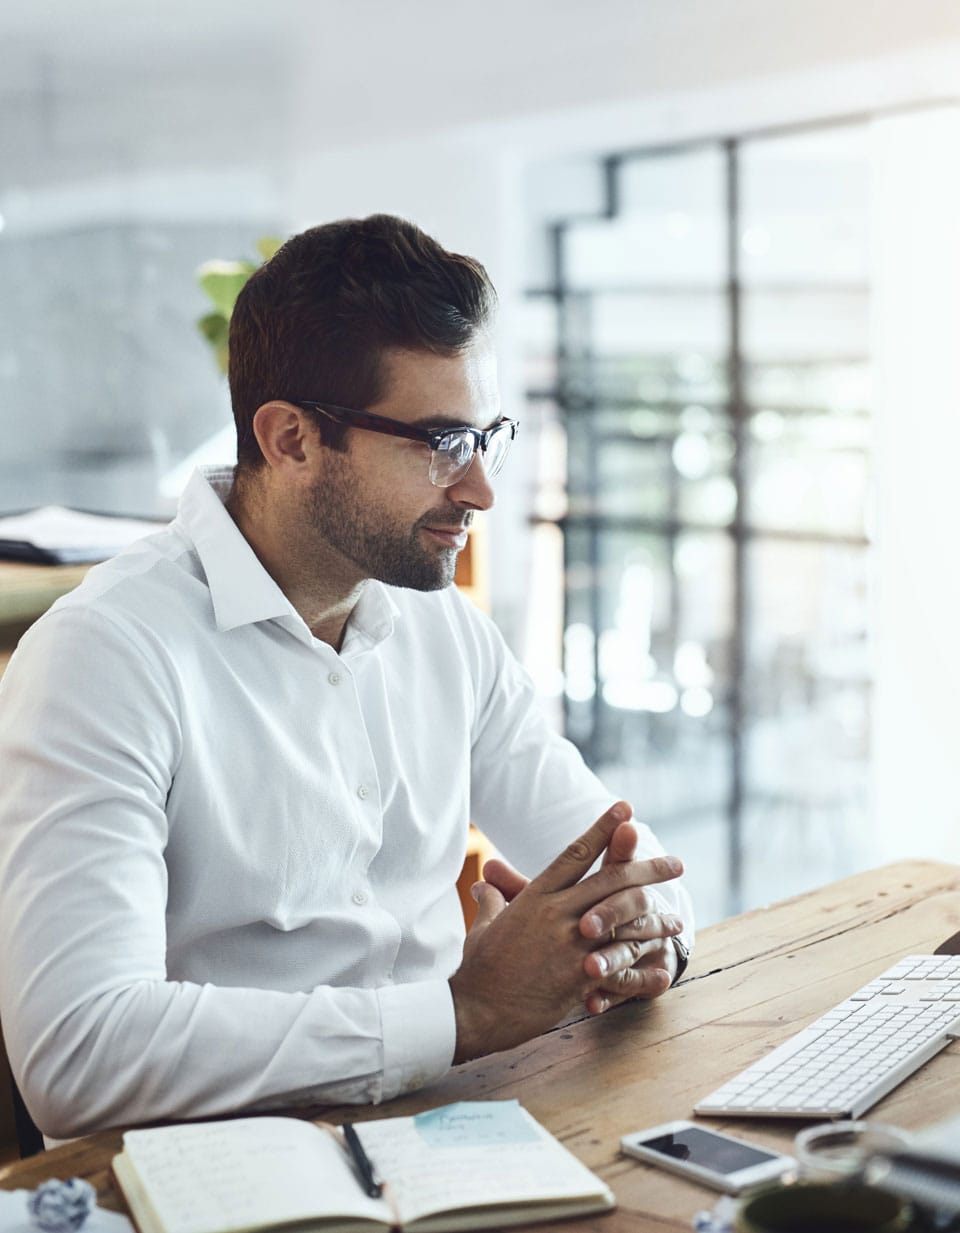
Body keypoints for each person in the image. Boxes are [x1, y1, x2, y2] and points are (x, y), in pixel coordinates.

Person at [0, 214, 693, 1141]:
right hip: (208, 1182)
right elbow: (80, 1055)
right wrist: (463, 1013)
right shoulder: (103, 655)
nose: (481, 488)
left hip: (451, 1139)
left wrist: (636, 938)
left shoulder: (444, 626)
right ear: (290, 439)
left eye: (486, 436)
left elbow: (626, 864)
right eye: (442, 443)